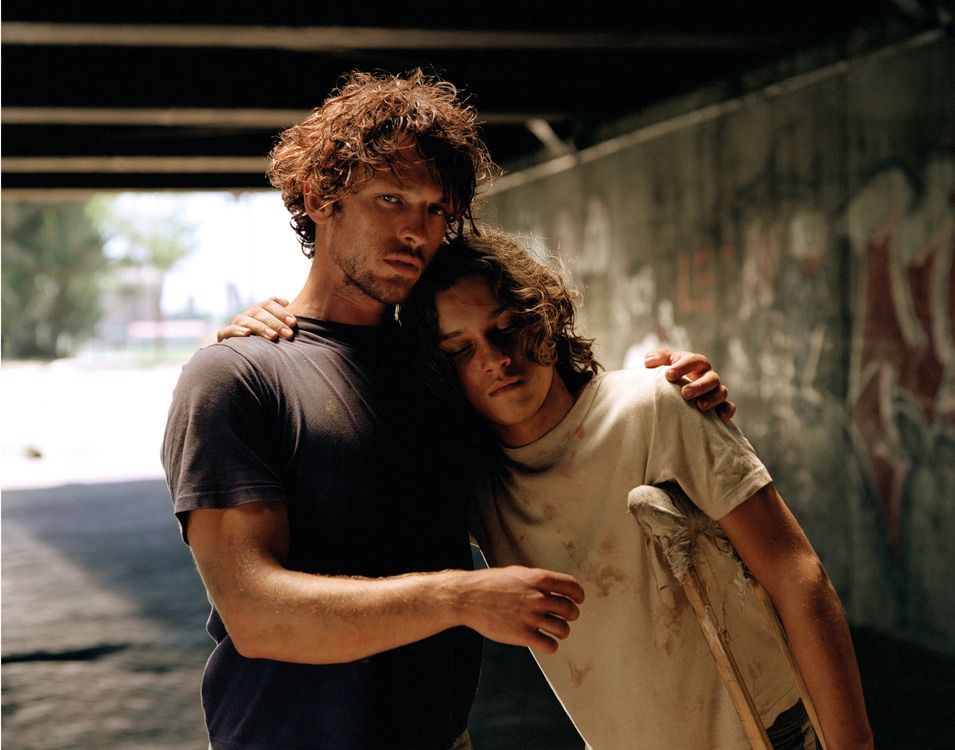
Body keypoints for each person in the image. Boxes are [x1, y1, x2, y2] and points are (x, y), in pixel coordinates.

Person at [163, 69, 732, 750]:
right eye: (391, 199)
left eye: (436, 210)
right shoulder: (236, 376)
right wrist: (461, 598)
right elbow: (256, 614)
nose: (416, 230)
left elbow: (566, 434)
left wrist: (668, 386)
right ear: (318, 197)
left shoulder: (438, 367)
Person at [232, 225, 874, 749]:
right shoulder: (475, 478)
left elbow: (797, 574)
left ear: (545, 318)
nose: (495, 359)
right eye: (459, 350)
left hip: (773, 733)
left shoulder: (657, 408)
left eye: (506, 327)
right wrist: (266, 339)